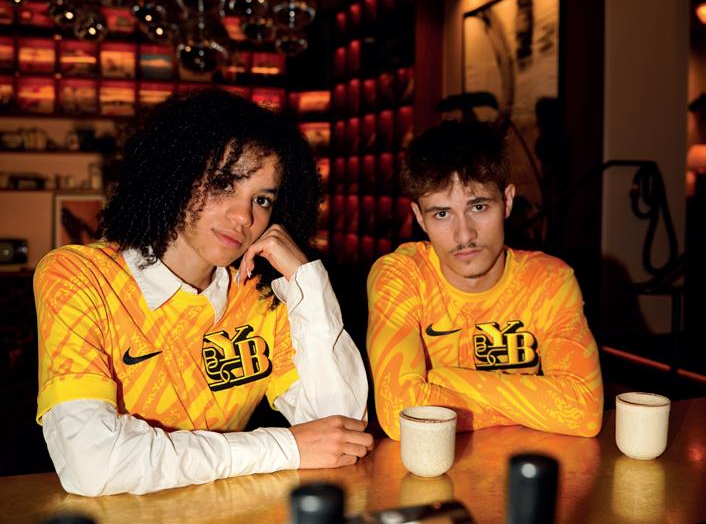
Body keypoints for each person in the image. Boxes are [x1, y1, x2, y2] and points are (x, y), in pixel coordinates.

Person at [34, 89, 372, 496]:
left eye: (262, 199)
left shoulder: (259, 297)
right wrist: (285, 447)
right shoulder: (79, 276)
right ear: (175, 174)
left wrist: (307, 283)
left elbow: (342, 430)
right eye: (223, 184)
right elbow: (93, 464)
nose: (244, 216)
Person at [366, 120, 603, 440]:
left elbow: (583, 412)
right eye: (442, 214)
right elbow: (400, 416)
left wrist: (441, 380)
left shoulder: (549, 281)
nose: (464, 235)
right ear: (420, 217)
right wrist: (534, 408)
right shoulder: (402, 276)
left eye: (478, 207)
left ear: (507, 201)